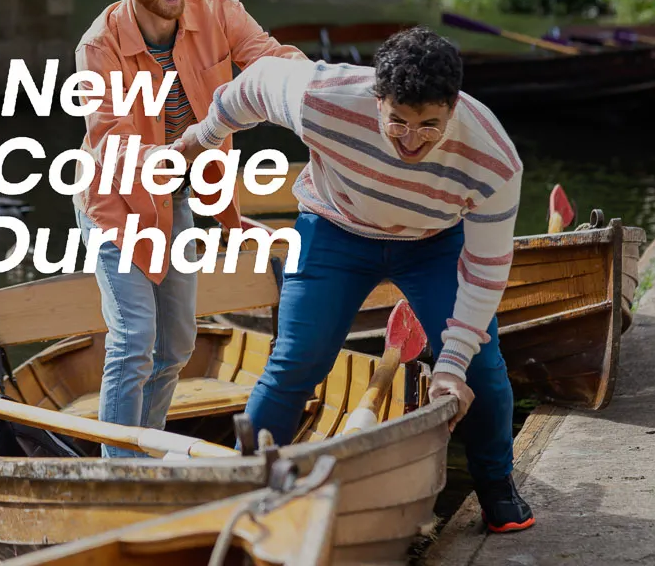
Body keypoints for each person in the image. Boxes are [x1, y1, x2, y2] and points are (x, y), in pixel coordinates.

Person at [177, 27, 535, 533]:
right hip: (334, 228)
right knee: (298, 359)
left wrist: (451, 363)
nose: (412, 140)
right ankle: (245, 482)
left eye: (430, 125)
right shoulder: (322, 97)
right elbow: (252, 85)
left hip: (432, 242)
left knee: (481, 369)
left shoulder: (494, 159)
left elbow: (486, 268)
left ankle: (497, 486)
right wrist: (204, 135)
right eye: (399, 123)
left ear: (454, 107)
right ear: (377, 99)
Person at [73, 0, 308, 458]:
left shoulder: (219, 12)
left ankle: (143, 450)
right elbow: (112, 138)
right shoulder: (98, 46)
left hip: (176, 203)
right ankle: (118, 472)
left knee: (175, 346)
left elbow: (272, 62)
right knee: (133, 340)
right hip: (117, 203)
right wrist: (184, 152)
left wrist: (322, 87)